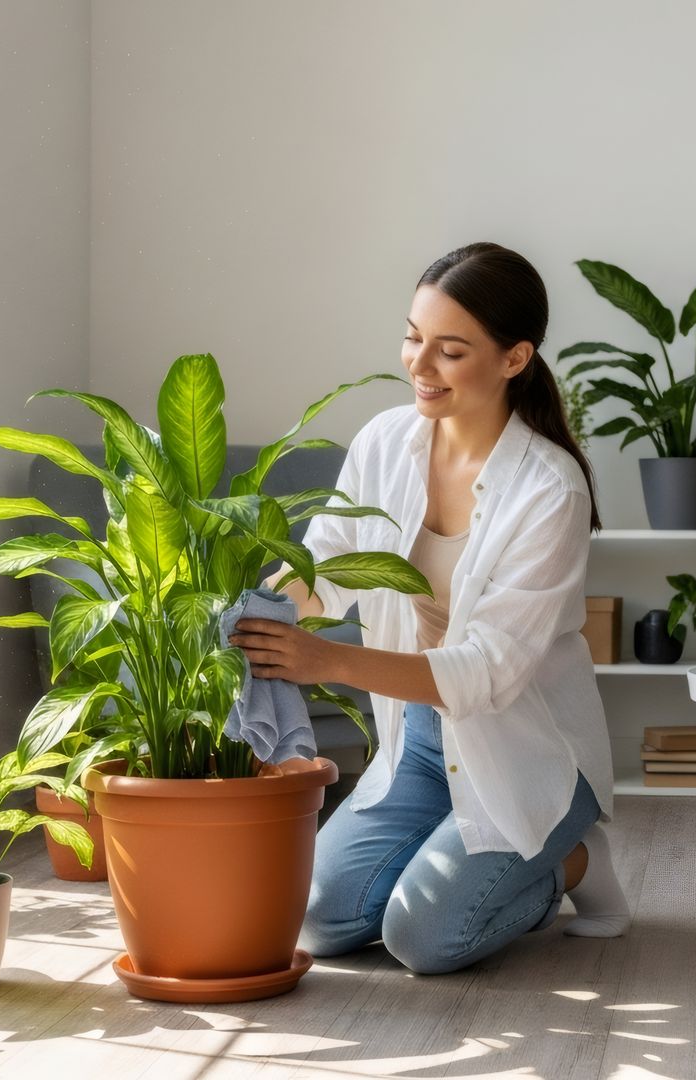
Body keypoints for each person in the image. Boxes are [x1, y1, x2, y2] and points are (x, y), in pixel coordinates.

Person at [228, 242, 630, 975]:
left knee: (425, 940)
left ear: (515, 359)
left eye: (449, 351)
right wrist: (258, 613)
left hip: (527, 749)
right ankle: (455, 843)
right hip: (420, 737)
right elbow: (329, 565)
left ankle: (568, 862)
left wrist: (328, 659)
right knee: (320, 920)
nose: (418, 365)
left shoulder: (550, 489)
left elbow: (488, 675)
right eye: (413, 338)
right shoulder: (386, 441)